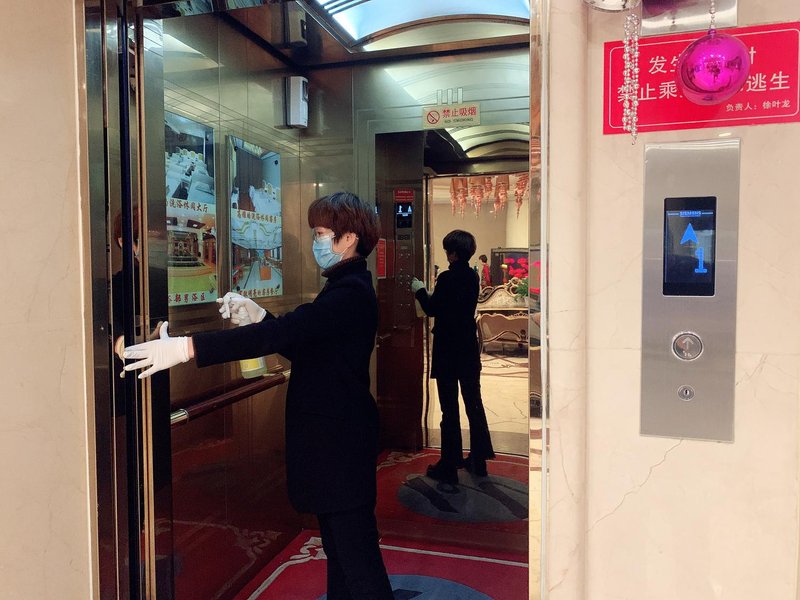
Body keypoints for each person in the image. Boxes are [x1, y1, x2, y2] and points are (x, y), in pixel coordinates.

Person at [122, 192, 394, 600]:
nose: (316, 241)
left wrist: (188, 347)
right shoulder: (346, 287)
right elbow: (309, 346)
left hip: (339, 446)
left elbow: (289, 333)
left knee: (358, 563)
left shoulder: (349, 293)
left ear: (349, 238)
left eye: (321, 233)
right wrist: (260, 315)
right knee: (343, 556)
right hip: (337, 445)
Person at [411, 230, 495, 484]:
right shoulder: (472, 276)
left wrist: (420, 290)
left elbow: (432, 308)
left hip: (448, 349)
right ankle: (478, 460)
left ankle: (449, 464)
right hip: (467, 347)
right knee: (474, 404)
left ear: (453, 253)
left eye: (448, 250)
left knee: (449, 408)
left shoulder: (447, 278)